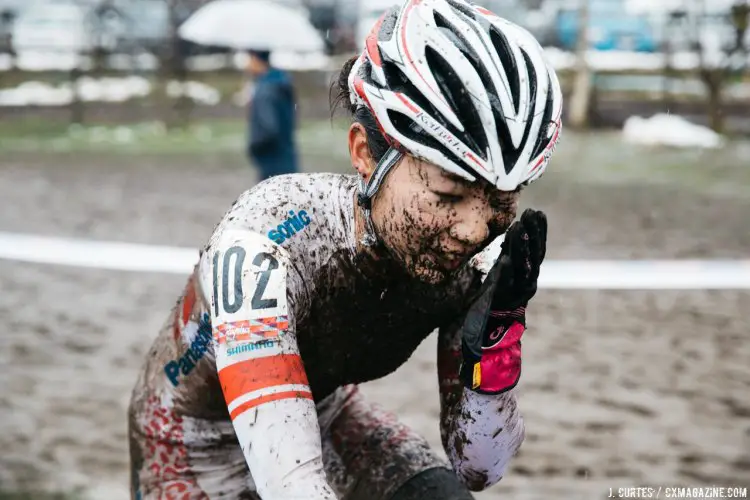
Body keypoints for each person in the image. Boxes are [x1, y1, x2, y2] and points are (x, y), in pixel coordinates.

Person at [128, 0, 562, 498]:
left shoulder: (477, 258)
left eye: (501, 201)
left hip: (325, 412)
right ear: (363, 153)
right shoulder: (266, 242)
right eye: (447, 195)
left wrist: (494, 348)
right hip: (189, 447)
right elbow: (293, 486)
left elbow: (478, 468)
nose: (471, 229)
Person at [245, 48, 299, 181]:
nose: (247, 66)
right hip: (286, 157)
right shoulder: (280, 82)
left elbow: (268, 128)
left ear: (257, 60)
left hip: (271, 162)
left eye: (249, 60)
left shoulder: (265, 90)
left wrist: (254, 147)